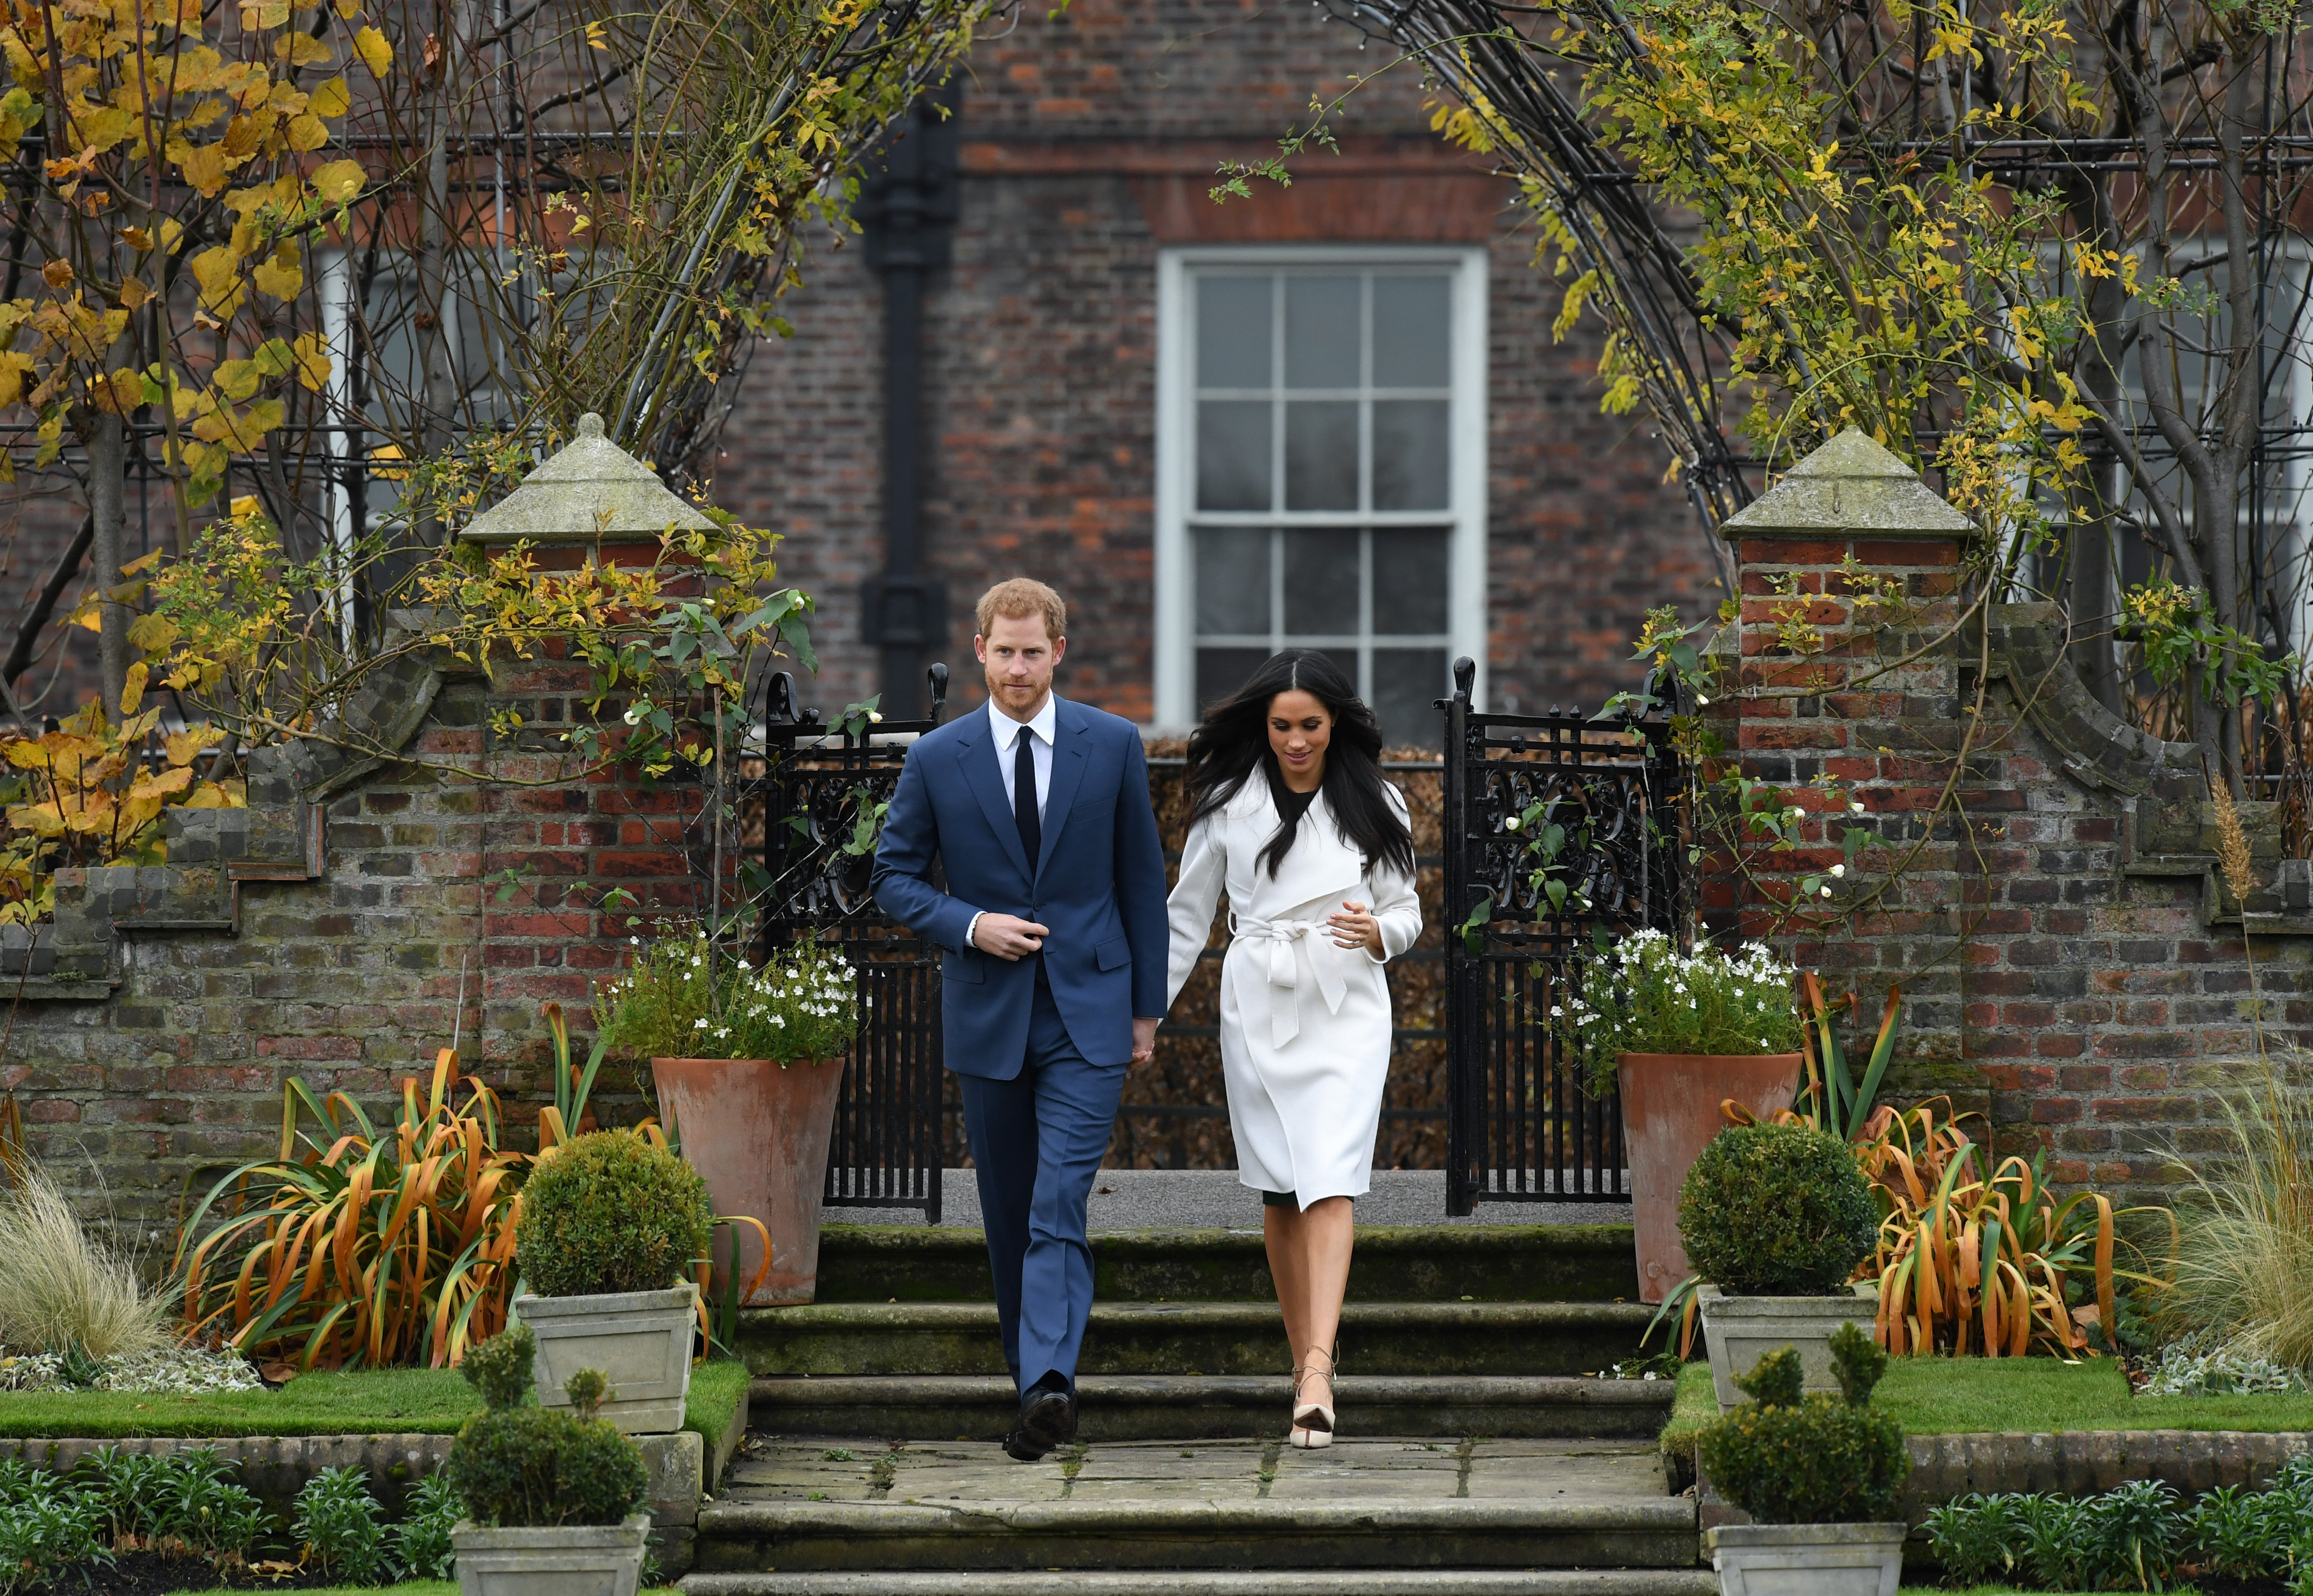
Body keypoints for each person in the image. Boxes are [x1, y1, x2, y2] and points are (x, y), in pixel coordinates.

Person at [872, 578, 1169, 1463]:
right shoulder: (938, 757)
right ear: (979, 652)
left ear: (1058, 652)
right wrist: (970, 923)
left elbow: (1140, 882)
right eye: (1003, 651)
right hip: (989, 1013)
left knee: (1055, 1201)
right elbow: (893, 877)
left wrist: (1145, 1009)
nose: (1017, 667)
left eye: (1032, 651)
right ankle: (1032, 1385)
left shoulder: (1112, 745)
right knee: (1007, 1211)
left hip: (1090, 1012)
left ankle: (1050, 1380)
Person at [1162, 650, 1421, 1448]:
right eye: (1282, 726)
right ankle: (1304, 1362)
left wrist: (1378, 932)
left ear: (1335, 720)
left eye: (1310, 724)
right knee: (1279, 1188)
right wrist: (1142, 1015)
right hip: (1259, 998)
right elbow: (1185, 918)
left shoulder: (1377, 800)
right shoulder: (1225, 806)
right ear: (1263, 726)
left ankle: (1316, 1367)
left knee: (1333, 1177)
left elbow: (1406, 908)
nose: (1296, 740)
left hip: (1345, 1001)